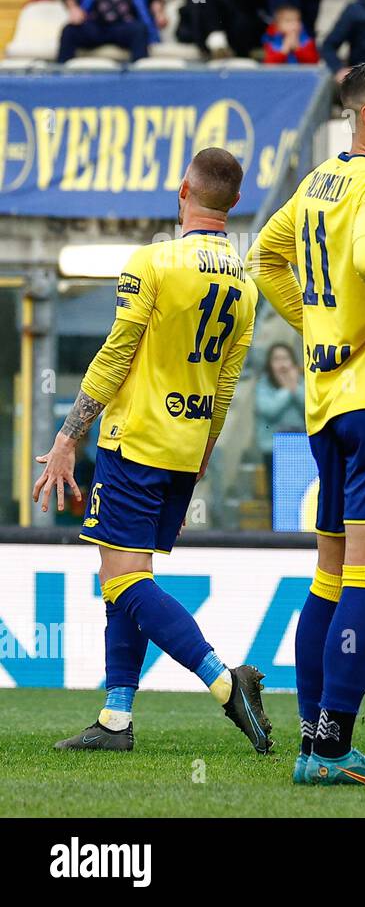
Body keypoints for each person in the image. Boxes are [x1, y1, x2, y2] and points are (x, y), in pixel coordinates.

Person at [34, 148, 271, 756]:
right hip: (185, 449)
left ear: (182, 191)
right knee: (131, 577)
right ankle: (116, 720)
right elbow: (225, 385)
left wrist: (67, 437)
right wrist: (202, 456)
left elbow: (115, 354)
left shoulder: (154, 262)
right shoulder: (244, 286)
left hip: (134, 440)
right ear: (236, 202)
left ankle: (224, 681)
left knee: (122, 585)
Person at [245, 60, 365, 788]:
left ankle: (311, 742)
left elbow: (266, 258)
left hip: (328, 404)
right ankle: (331, 750)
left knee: (329, 578)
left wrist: (315, 329)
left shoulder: (317, 184)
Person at [255, 342, 306, 495]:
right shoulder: (264, 384)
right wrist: (287, 390)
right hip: (273, 449)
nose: (282, 364)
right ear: (270, 364)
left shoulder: (303, 382)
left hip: (301, 447)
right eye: (276, 359)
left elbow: (310, 407)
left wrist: (295, 388)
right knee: (277, 496)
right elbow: (269, 409)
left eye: (285, 358)